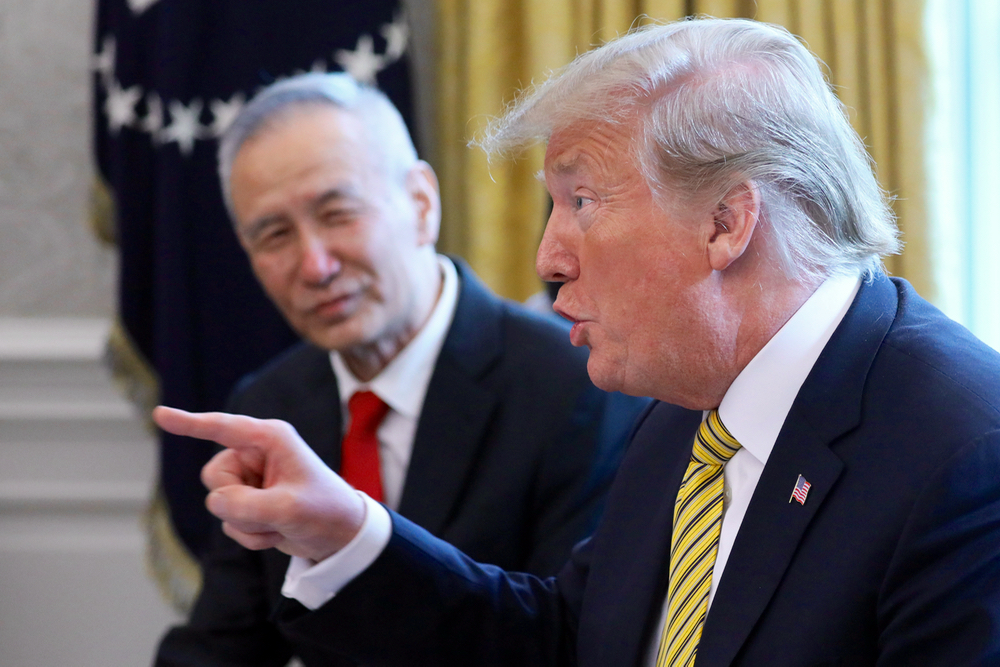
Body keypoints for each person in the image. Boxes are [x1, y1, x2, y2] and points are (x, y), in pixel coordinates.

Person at [154, 18, 1000, 667]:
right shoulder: (688, 408)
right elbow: (571, 638)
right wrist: (345, 532)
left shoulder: (965, 451)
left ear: (726, 222)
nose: (547, 258)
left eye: (583, 202)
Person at [153, 72, 649, 666]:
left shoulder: (578, 388)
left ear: (420, 204)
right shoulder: (269, 403)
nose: (314, 265)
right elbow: (216, 650)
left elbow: (563, 645)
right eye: (275, 234)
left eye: (337, 213)